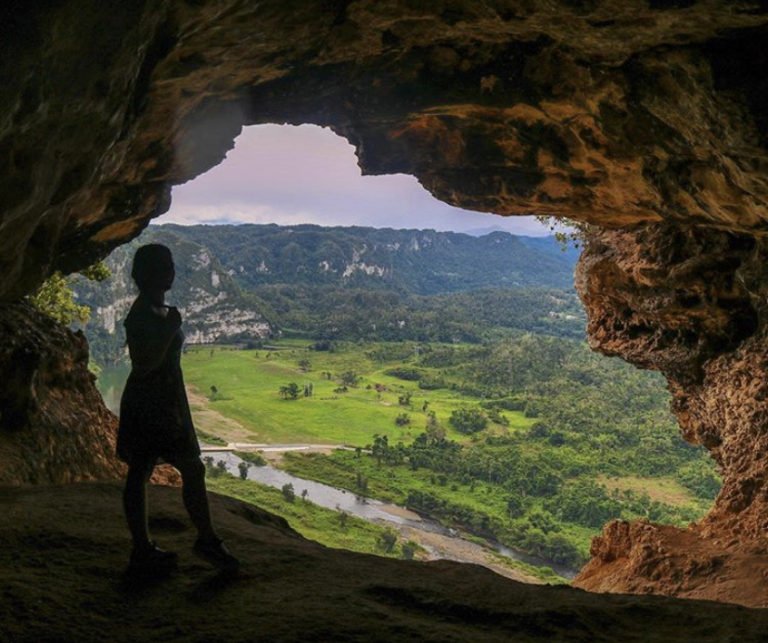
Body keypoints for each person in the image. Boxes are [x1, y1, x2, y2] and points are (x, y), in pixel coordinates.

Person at [117, 243, 238, 572]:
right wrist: (171, 327)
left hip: (164, 400)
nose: (172, 272)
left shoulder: (156, 309)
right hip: (150, 403)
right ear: (150, 273)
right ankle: (200, 541)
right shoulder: (142, 314)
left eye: (171, 265)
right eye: (165, 266)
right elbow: (143, 364)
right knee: (160, 470)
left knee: (150, 471)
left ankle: (148, 547)